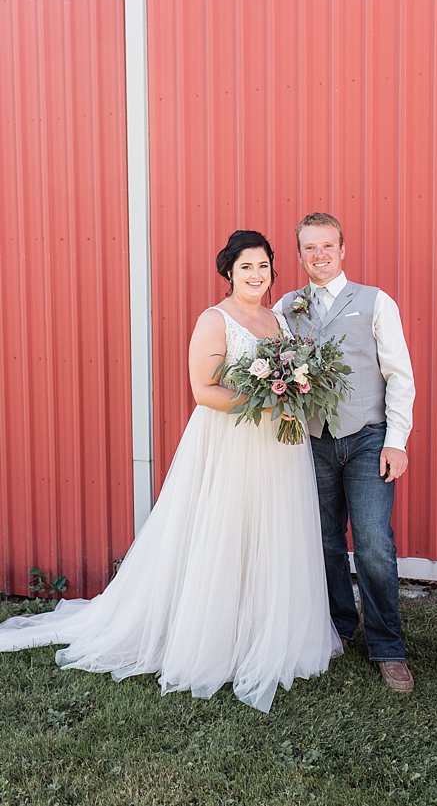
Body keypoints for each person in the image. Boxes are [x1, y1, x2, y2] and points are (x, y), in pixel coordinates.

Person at [0, 230, 341, 713]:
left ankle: (265, 631)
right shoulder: (214, 319)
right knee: (223, 533)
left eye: (263, 266)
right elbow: (203, 390)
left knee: (272, 534)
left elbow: (291, 376)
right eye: (246, 267)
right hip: (229, 442)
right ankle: (214, 639)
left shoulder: (278, 318)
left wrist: (291, 397)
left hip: (277, 447)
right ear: (228, 272)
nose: (256, 275)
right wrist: (269, 400)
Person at [276, 212, 416, 693]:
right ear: (299, 256)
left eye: (327, 246)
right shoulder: (287, 307)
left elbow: (399, 374)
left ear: (343, 250)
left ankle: (387, 648)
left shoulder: (375, 302)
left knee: (374, 543)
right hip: (313, 441)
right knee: (326, 542)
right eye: (309, 248)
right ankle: (338, 629)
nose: (319, 255)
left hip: (367, 437)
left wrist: (396, 440)